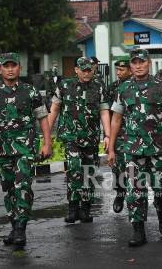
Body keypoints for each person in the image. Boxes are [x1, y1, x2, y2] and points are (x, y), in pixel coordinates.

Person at [0, 52, 52, 246]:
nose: (10, 69)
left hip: (26, 148)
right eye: (6, 66)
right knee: (9, 189)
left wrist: (47, 143)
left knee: (22, 186)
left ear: (19, 68)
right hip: (3, 149)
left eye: (13, 65)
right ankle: (14, 226)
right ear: (0, 69)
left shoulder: (31, 91)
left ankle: (20, 228)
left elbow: (43, 118)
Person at [108, 49, 162, 247]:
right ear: (130, 65)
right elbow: (116, 119)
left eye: (142, 61)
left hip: (159, 146)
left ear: (149, 63)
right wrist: (112, 148)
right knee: (134, 190)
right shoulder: (123, 88)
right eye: (135, 62)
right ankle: (138, 230)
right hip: (132, 148)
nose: (138, 65)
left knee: (161, 187)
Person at [48, 57, 111, 224]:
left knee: (88, 172)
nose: (86, 72)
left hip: (91, 137)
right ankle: (73, 207)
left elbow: (104, 112)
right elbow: (54, 109)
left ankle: (85, 208)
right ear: (76, 70)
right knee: (75, 169)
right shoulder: (64, 86)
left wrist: (107, 135)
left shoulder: (99, 86)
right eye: (83, 69)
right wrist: (47, 135)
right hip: (70, 137)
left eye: (89, 69)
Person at [107, 56, 132, 213]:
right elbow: (108, 113)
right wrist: (108, 135)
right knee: (117, 166)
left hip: (135, 133)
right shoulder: (112, 88)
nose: (118, 72)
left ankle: (134, 198)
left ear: (129, 70)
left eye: (122, 69)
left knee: (135, 168)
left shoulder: (136, 86)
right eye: (117, 69)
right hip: (118, 132)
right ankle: (120, 193)